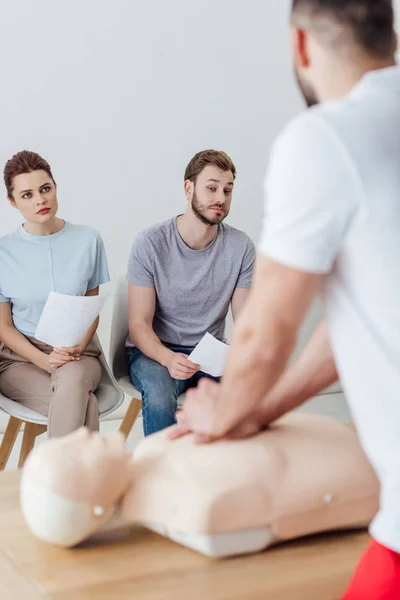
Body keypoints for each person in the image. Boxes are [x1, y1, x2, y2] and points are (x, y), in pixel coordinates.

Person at [171, 1, 400, 598]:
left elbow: (265, 332)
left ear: (301, 46)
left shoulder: (325, 137)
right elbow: (365, 318)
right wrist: (260, 407)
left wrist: (224, 411)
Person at [126, 149, 255, 436]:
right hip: (155, 352)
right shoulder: (150, 242)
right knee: (160, 396)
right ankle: (163, 475)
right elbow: (138, 325)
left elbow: (246, 323)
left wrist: (245, 359)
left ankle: (220, 473)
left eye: (227, 190)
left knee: (249, 394)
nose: (220, 198)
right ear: (189, 188)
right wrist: (168, 358)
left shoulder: (241, 247)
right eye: (211, 188)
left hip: (209, 355)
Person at [0, 150, 110, 437]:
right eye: (27, 194)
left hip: (79, 353)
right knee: (84, 406)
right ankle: (84, 480)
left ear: (55, 188)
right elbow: (3, 327)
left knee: (72, 383)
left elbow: (92, 309)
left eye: (45, 189)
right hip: (21, 358)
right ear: (12, 202)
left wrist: (75, 346)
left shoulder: (88, 240)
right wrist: (42, 360)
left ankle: (51, 480)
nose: (40, 200)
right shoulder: (2, 252)